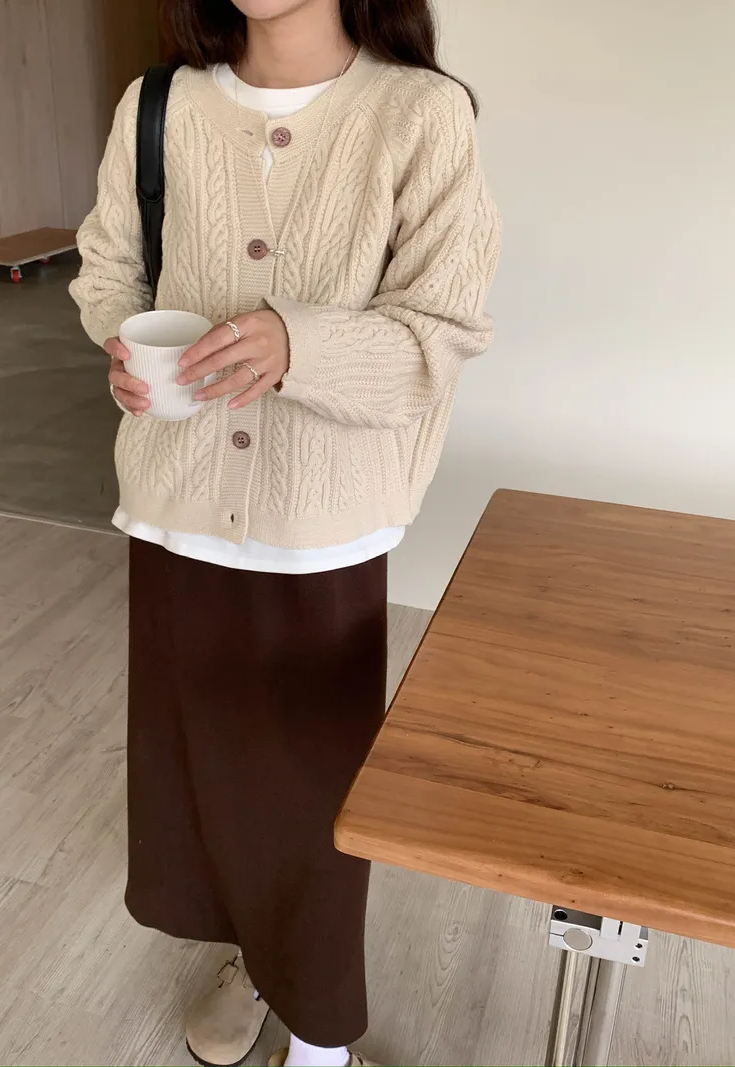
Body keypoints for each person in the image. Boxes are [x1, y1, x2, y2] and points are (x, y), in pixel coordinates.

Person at [70, 0, 500, 1063]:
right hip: (175, 513)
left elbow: (440, 331)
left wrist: (294, 347)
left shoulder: (420, 114)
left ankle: (317, 1025)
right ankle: (256, 957)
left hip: (323, 526)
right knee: (204, 770)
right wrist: (121, 347)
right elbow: (109, 271)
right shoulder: (158, 106)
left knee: (314, 794)